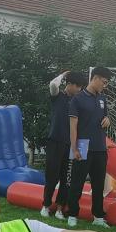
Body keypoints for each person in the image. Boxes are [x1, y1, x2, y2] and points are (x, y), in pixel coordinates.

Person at [64, 66, 114, 228]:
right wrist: (74, 148)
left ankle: (98, 216)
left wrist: (108, 120)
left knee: (98, 185)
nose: (104, 85)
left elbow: (105, 118)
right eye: (104, 82)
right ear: (96, 78)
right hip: (82, 146)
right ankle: (72, 214)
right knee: (77, 183)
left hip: (100, 147)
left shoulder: (103, 99)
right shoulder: (77, 99)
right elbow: (73, 126)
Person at [41, 71, 86, 219]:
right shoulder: (58, 96)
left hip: (72, 145)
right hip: (55, 142)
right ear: (70, 84)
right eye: (78, 86)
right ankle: (46, 206)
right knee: (51, 176)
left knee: (67, 179)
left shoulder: (78, 102)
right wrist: (63, 74)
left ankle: (60, 209)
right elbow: (53, 84)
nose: (79, 89)